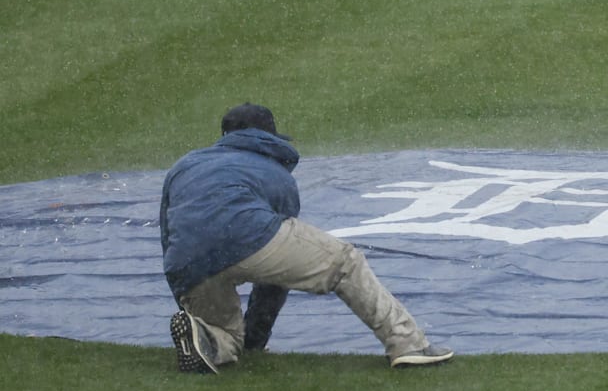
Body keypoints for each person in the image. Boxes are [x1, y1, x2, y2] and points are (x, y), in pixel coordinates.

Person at [159, 103, 454, 373]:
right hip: (248, 236)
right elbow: (275, 276)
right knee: (345, 263)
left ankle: (208, 339)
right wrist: (259, 334)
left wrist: (186, 293)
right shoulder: (275, 173)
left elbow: (167, 233)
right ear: (269, 137)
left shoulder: (185, 164)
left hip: (186, 259)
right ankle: (408, 344)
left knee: (225, 334)